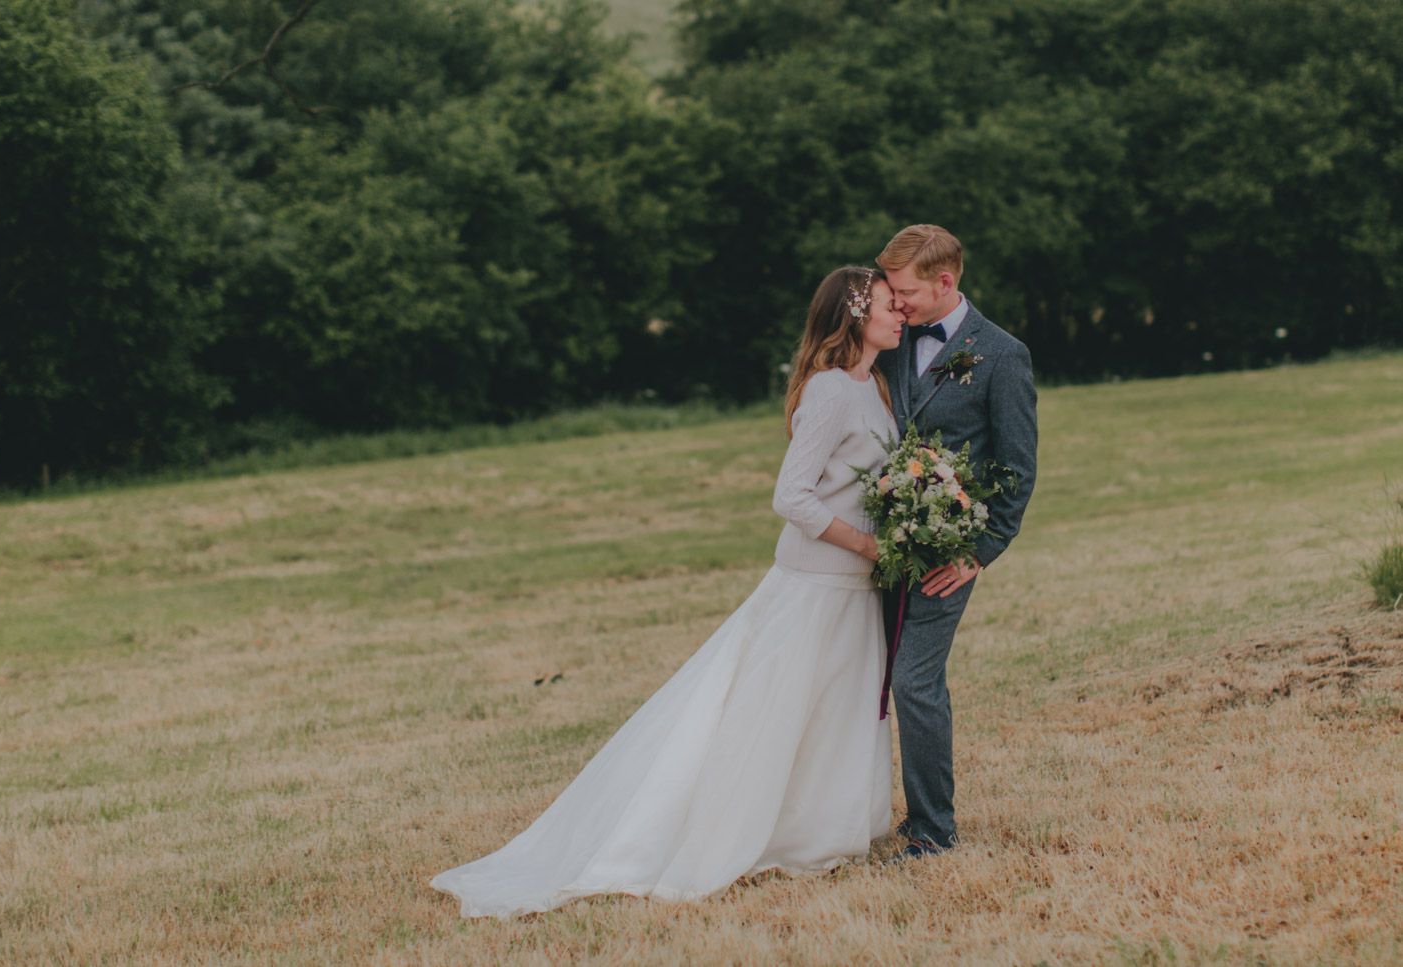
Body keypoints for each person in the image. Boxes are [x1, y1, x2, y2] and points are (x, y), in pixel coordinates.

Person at [429, 266, 906, 918]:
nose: (900, 312)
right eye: (887, 304)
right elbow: (788, 495)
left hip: (857, 587)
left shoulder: (875, 385)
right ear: (855, 315)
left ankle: (821, 832)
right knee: (769, 715)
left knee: (835, 713)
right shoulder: (827, 391)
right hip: (815, 583)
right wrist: (864, 543)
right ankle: (714, 833)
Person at [872, 224, 1038, 861]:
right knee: (867, 679)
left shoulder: (1002, 354)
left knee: (914, 681)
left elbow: (1017, 468)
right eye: (891, 290)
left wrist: (978, 552)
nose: (897, 302)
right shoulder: (889, 339)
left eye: (907, 291)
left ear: (946, 282)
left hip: (946, 551)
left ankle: (932, 832)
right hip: (876, 544)